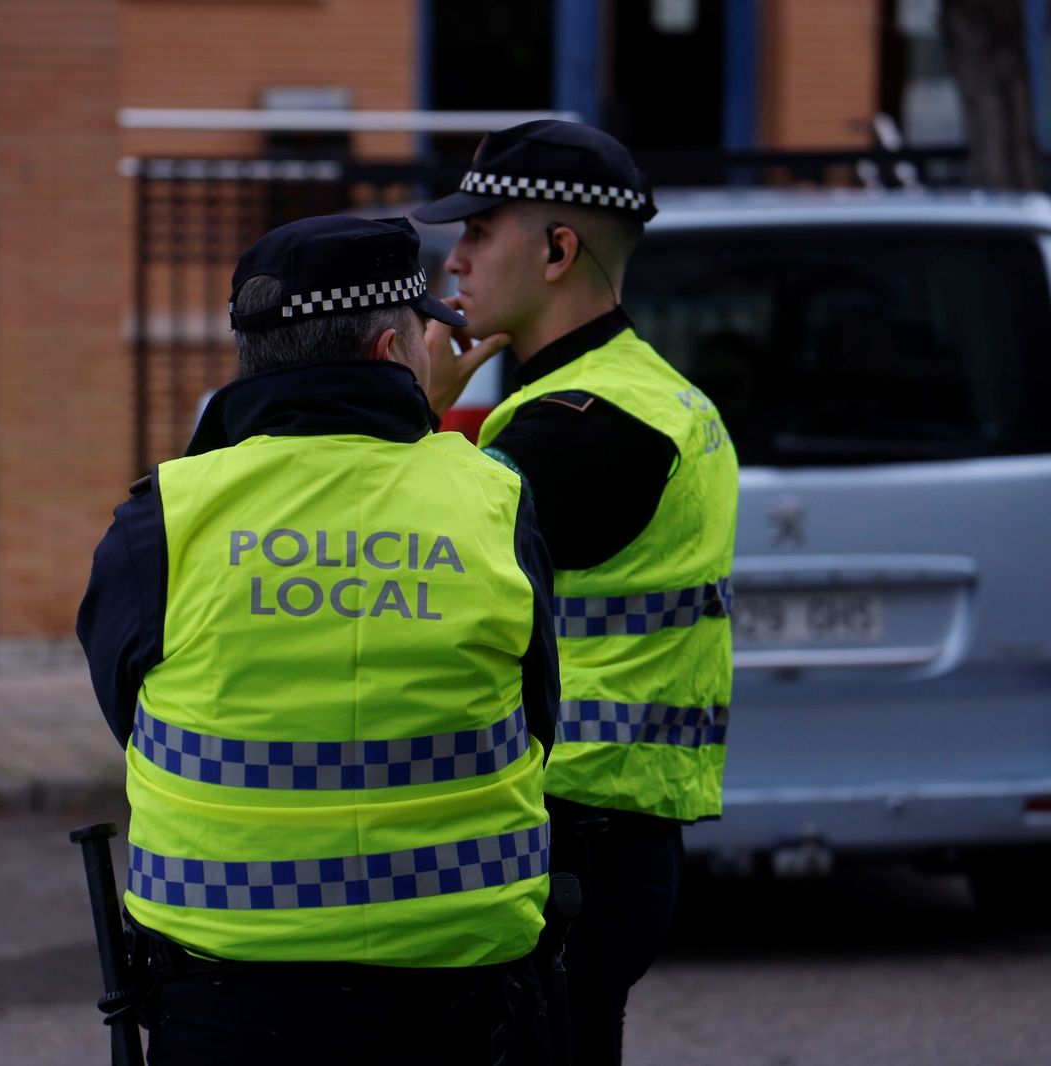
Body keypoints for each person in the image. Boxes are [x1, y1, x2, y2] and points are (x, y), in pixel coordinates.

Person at [77, 214, 559, 1066]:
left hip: (229, 1001)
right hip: (457, 995)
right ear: (388, 351)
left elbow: (134, 718)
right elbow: (538, 721)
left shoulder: (163, 522)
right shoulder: (493, 503)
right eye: (422, 339)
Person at [412, 121, 740, 1066]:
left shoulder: (586, 427)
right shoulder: (638, 396)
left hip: (570, 844)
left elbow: (412, 569)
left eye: (479, 231)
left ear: (559, 249)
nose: (456, 258)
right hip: (601, 840)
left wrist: (413, 408)